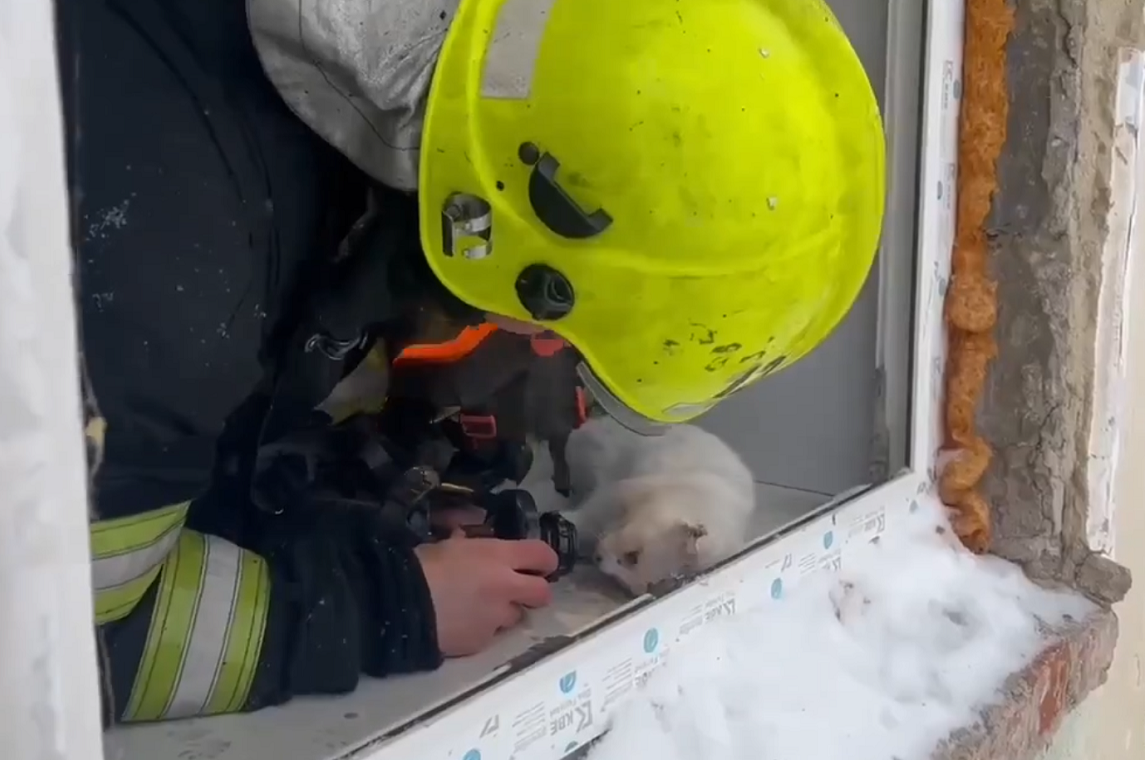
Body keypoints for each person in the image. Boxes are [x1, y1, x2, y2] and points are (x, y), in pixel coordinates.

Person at [61, 0, 884, 726]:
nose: (545, 350)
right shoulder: (164, 276)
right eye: (560, 328)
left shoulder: (343, 114)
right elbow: (45, 642)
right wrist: (392, 605)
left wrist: (334, 524)